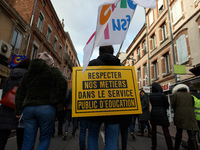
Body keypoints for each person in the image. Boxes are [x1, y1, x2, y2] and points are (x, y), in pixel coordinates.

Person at [15, 52, 67, 150]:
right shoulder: (53, 72)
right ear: (49, 63)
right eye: (51, 64)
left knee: (28, 139)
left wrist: (18, 110)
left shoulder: (29, 73)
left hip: (28, 108)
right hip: (47, 107)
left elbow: (20, 92)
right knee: (44, 139)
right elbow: (63, 83)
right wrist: (59, 102)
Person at [87, 45, 121, 150]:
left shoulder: (92, 64)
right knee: (111, 139)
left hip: (94, 107)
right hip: (114, 109)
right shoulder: (120, 65)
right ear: (113, 52)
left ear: (99, 53)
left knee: (92, 136)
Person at [0, 58, 30, 150]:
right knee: (21, 137)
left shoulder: (9, 77)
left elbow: (5, 92)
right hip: (18, 110)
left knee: (2, 136)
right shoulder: (26, 77)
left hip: (6, 107)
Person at [172, 84, 199, 150]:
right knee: (191, 133)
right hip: (190, 115)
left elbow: (173, 105)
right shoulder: (189, 95)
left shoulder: (175, 95)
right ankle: (194, 147)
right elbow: (192, 104)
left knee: (179, 133)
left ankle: (176, 147)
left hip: (179, 115)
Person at [149, 82, 173, 150]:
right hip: (162, 113)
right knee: (166, 130)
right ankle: (170, 147)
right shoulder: (163, 95)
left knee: (153, 131)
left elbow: (152, 104)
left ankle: (154, 146)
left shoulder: (151, 95)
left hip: (153, 113)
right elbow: (167, 105)